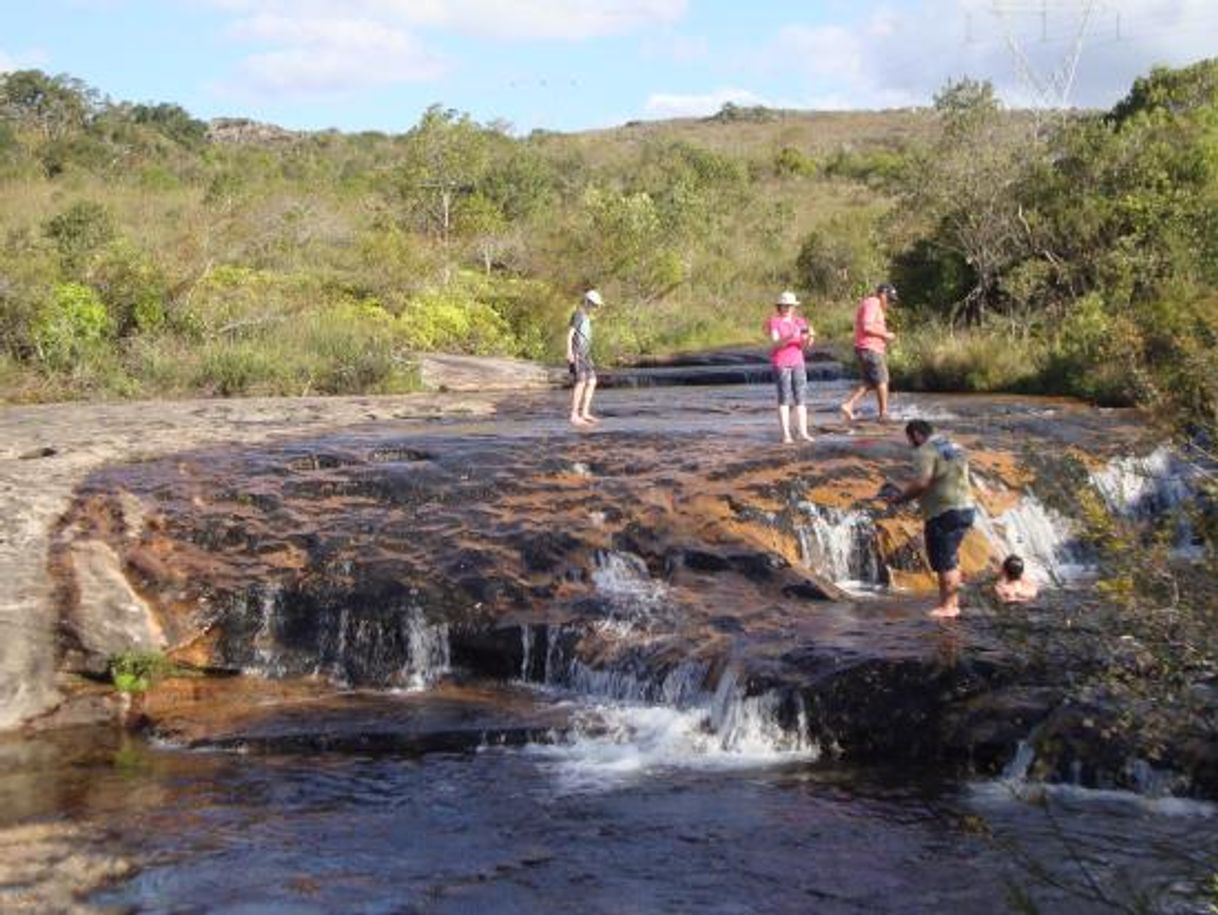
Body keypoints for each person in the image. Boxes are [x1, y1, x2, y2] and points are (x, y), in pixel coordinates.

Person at [886, 419, 975, 618]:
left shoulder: (924, 450)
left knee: (944, 561)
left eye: (910, 439)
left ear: (916, 434)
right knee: (951, 556)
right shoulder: (954, 445)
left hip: (944, 511)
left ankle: (948, 606)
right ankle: (954, 602)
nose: (910, 444)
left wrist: (900, 499)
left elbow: (922, 482)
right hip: (966, 506)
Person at [840, 282, 898, 423]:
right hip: (870, 348)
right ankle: (883, 414)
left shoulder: (874, 304)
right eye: (889, 299)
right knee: (883, 379)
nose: (889, 303)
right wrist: (885, 334)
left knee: (869, 382)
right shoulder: (873, 303)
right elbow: (867, 326)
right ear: (882, 294)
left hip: (866, 348)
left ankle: (848, 405)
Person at [764, 290, 815, 444]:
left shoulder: (800, 321)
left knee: (801, 398)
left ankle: (803, 432)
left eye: (791, 306)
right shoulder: (774, 321)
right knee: (784, 398)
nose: (788, 308)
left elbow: (805, 345)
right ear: (780, 306)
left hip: (798, 361)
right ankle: (786, 434)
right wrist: (789, 336)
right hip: (781, 363)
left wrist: (810, 336)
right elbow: (775, 343)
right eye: (785, 305)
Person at [566, 289, 602, 426]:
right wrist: (569, 352)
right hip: (577, 354)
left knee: (592, 381)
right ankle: (574, 415)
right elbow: (570, 334)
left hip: (586, 355)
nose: (595, 308)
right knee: (580, 382)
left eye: (596, 306)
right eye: (593, 304)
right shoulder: (578, 314)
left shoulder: (586, 317)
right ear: (586, 302)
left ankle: (585, 412)